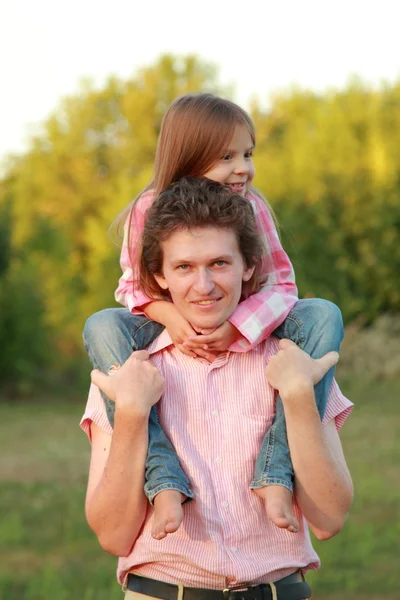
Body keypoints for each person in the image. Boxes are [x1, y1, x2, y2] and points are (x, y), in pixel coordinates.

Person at [82, 93, 344, 540]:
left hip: (251, 317)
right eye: (227, 157)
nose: (243, 167)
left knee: (323, 314)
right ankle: (163, 479)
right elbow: (130, 286)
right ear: (190, 156)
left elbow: (282, 285)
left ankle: (276, 470)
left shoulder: (253, 206)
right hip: (163, 319)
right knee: (102, 325)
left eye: (247, 153)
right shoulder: (148, 208)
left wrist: (239, 328)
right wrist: (168, 316)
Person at [81, 177, 353, 600]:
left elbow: (329, 519)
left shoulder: (294, 359)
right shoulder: (130, 369)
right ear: (160, 276)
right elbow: (114, 536)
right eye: (184, 267)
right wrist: (133, 413)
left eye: (219, 264)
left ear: (248, 266)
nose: (204, 286)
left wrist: (298, 396)